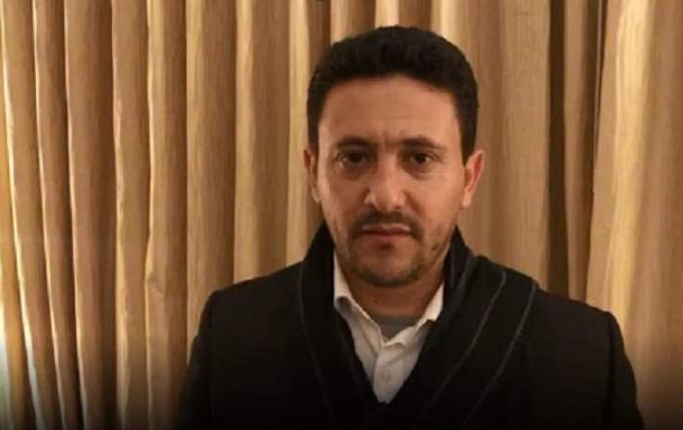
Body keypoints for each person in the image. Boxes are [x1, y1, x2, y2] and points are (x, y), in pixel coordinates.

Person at [176, 26, 643, 429]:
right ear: (314, 173)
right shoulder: (233, 337)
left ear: (469, 178)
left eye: (419, 158)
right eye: (353, 158)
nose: (385, 195)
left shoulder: (581, 355)